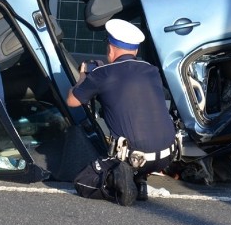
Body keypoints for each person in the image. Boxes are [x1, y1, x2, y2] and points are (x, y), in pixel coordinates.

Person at [66, 19, 178, 206]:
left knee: (82, 182)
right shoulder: (152, 70)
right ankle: (140, 182)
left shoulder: (101, 74)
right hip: (166, 156)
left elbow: (72, 101)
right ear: (135, 50)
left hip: (134, 156)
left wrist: (84, 76)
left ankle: (116, 184)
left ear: (110, 48)